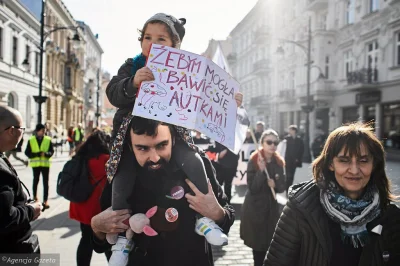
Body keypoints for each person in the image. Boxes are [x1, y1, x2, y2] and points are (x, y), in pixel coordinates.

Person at [105, 12, 243, 264]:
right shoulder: (132, 65)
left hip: (178, 137)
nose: (152, 44)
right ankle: (123, 237)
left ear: (175, 46)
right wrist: (132, 82)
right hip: (126, 138)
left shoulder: (184, 70)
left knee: (194, 162)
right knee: (121, 180)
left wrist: (228, 104)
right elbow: (113, 93)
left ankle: (203, 220)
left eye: (161, 39)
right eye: (147, 37)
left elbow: (205, 100)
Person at [90, 117, 235, 266]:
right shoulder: (121, 176)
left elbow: (227, 219)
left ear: (173, 139)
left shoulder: (197, 167)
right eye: (142, 148)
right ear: (130, 145)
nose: (154, 157)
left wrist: (217, 213)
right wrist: (96, 227)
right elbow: (101, 244)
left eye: (161, 145)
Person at [264, 122, 400, 266]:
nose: (354, 170)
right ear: (330, 164)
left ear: (374, 165)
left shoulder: (390, 217)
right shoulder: (300, 209)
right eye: (344, 161)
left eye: (363, 160)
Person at [240, 129, 286, 266]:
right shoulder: (254, 160)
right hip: (255, 208)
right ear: (262, 143)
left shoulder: (279, 162)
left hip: (271, 209)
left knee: (272, 244)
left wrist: (275, 184)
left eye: (275, 142)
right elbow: (252, 188)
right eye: (269, 142)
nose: (272, 145)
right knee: (258, 245)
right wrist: (260, 171)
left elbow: (283, 187)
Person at [0, 106, 42, 253]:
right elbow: (5, 218)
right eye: (22, 129)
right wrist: (31, 210)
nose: (23, 133)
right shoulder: (1, 171)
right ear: (11, 130)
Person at [69, 130, 111, 266]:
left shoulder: (81, 159)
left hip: (83, 206)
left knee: (85, 239)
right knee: (107, 241)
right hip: (100, 207)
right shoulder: (107, 160)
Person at [25, 123, 54, 210]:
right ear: (37, 131)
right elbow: (27, 152)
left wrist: (46, 154)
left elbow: (51, 152)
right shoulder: (31, 140)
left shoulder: (48, 140)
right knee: (35, 181)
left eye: (44, 131)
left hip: (45, 164)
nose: (44, 132)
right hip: (36, 165)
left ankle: (45, 200)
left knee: (46, 183)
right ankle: (35, 198)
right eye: (42, 131)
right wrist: (36, 154)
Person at [283, 125, 304, 193]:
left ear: (294, 131)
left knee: (292, 175)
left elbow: (301, 150)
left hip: (295, 160)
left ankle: (290, 187)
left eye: (291, 130)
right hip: (287, 160)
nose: (289, 131)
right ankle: (287, 189)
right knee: (288, 175)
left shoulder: (299, 140)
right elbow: (284, 149)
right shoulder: (286, 139)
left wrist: (298, 158)